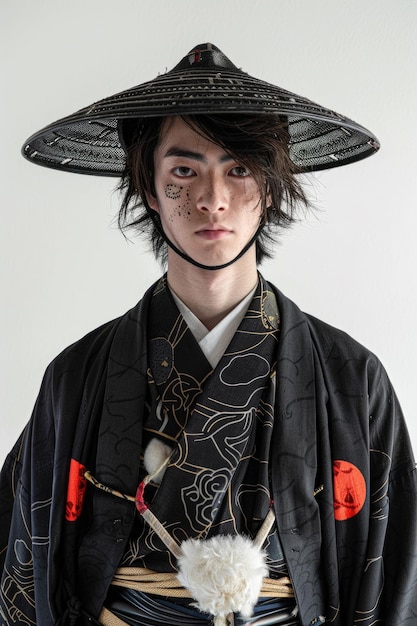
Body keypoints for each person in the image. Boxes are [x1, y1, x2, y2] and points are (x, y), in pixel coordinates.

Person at [0, 42, 416, 626]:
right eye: (184, 170)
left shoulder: (351, 377)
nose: (212, 199)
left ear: (269, 188)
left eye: (239, 169)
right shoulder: (77, 376)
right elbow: (25, 556)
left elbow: (393, 570)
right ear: (148, 186)